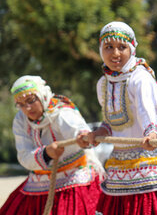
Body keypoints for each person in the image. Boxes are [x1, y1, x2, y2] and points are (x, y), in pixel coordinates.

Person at [76, 21, 157, 215]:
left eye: (122, 47)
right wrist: (98, 133)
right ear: (100, 50)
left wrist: (151, 133)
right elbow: (112, 121)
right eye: (109, 47)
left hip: (150, 157)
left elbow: (146, 112)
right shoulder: (103, 84)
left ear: (131, 49)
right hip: (120, 163)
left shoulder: (140, 78)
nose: (115, 53)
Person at [0, 75, 103, 215]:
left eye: (31, 100)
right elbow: (24, 155)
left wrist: (83, 137)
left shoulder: (60, 110)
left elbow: (76, 128)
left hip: (74, 177)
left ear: (41, 95)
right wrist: (46, 153)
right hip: (39, 181)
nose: (28, 108)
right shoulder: (20, 120)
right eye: (21, 104)